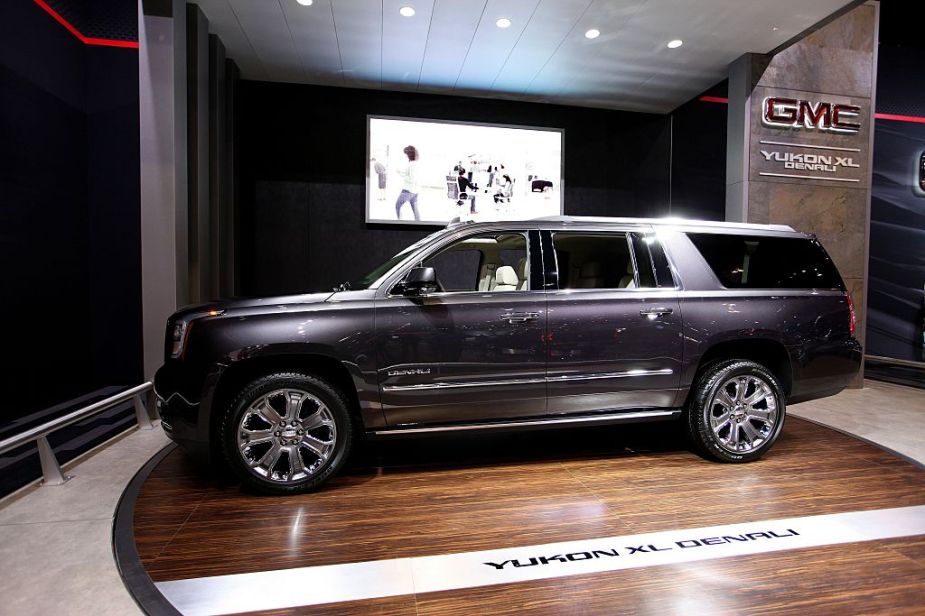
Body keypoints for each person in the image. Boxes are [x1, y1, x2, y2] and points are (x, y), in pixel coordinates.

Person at [394, 146, 420, 221]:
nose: (405, 156)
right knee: (415, 210)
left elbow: (411, 178)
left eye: (406, 154)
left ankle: (400, 222)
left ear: (409, 154)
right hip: (415, 190)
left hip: (408, 190)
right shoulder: (414, 163)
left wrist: (403, 176)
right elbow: (409, 175)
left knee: (397, 205)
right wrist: (401, 173)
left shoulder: (412, 164)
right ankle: (418, 223)